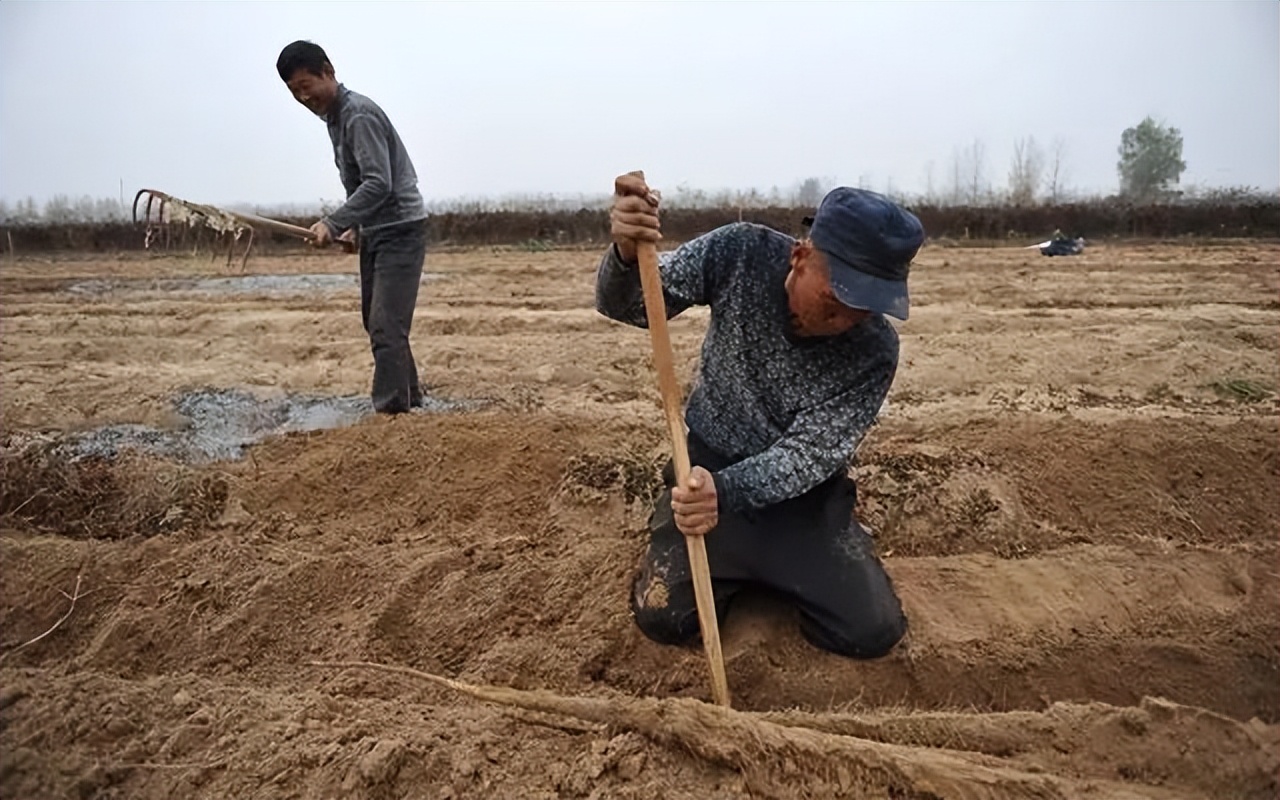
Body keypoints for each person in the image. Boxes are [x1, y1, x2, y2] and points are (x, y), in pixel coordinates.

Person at [597, 172, 924, 658]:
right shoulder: (741, 252)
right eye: (835, 301)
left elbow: (809, 454)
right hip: (706, 469)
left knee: (870, 631)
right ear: (801, 257)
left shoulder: (875, 350)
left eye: (864, 310)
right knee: (664, 617)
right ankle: (722, 552)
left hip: (802, 501)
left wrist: (727, 492)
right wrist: (627, 253)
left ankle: (795, 560)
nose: (844, 322)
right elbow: (631, 304)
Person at [276, 40, 429, 414]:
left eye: (306, 85)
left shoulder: (357, 114)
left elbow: (379, 182)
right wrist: (355, 227)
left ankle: (393, 412)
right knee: (377, 322)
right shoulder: (336, 118)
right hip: (377, 229)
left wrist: (333, 222)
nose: (303, 97)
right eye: (294, 92)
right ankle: (410, 399)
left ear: (328, 71)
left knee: (386, 325)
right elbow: (358, 182)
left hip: (400, 227)